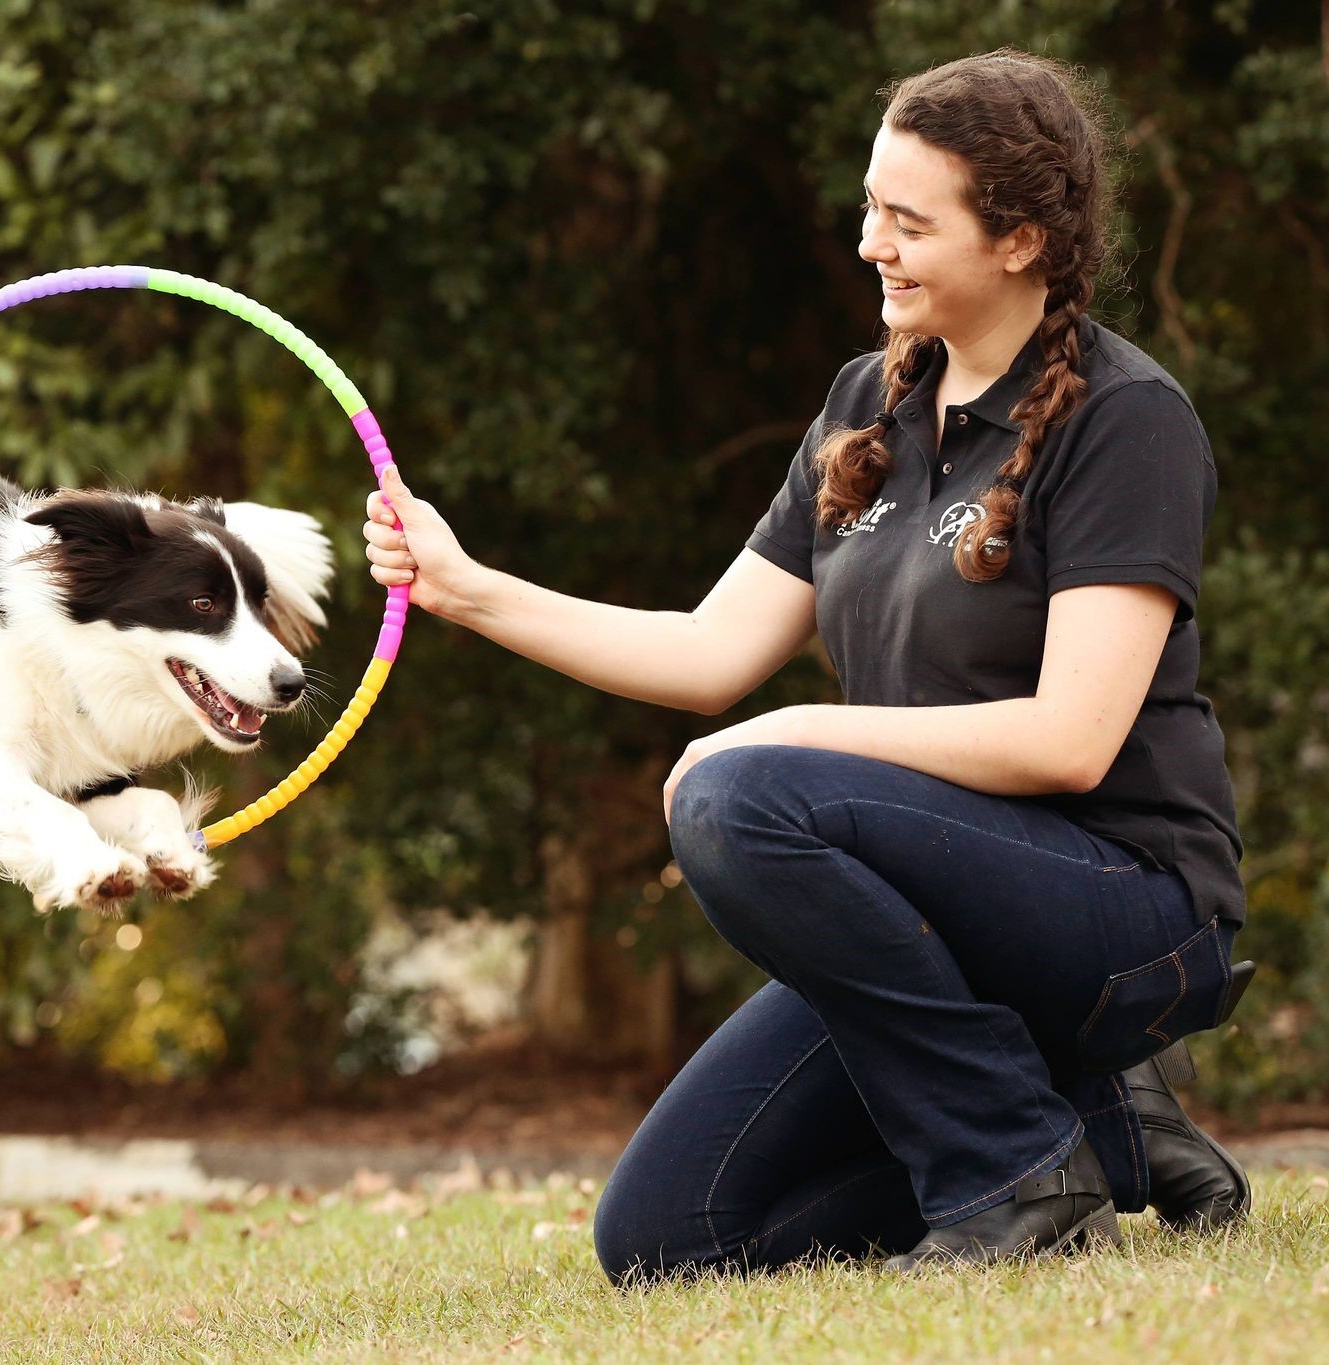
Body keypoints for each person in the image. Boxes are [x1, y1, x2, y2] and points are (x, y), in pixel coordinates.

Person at [361, 48, 1254, 1279]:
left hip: (1126, 909)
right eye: (865, 209)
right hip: (952, 925)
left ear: (1018, 241)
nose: (866, 245)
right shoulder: (863, 410)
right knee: (663, 1245)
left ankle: (1017, 1181)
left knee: (737, 795)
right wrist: (471, 592)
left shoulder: (1124, 418)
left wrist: (785, 740)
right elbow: (705, 654)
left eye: (905, 220)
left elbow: (1068, 739)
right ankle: (1091, 1121)